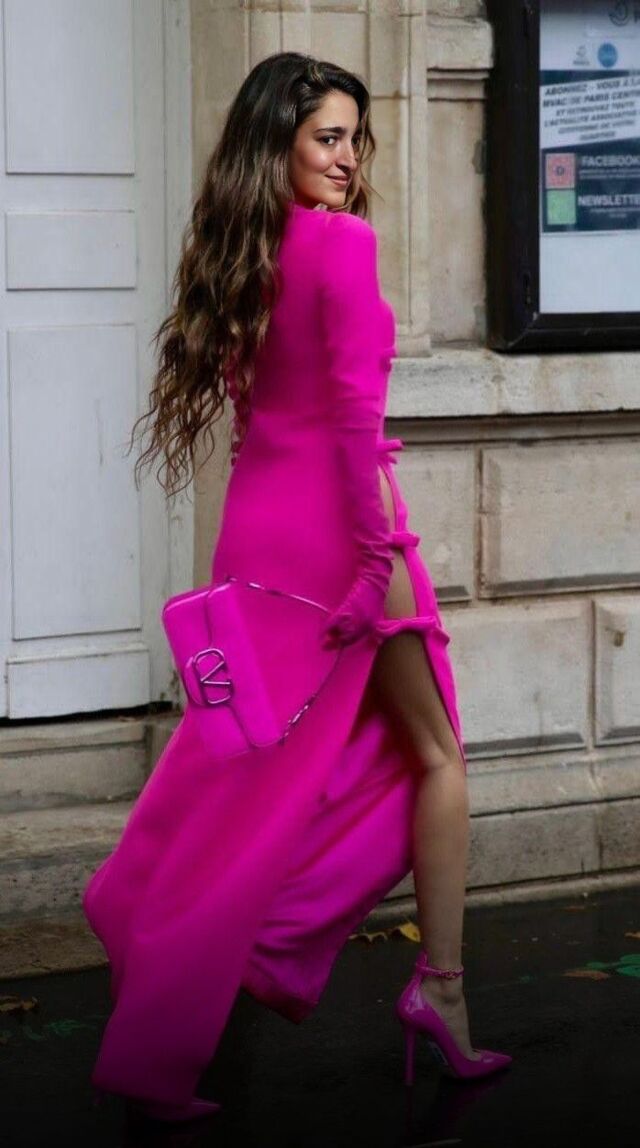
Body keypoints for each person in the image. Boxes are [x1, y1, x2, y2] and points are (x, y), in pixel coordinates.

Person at [83, 51, 512, 1126]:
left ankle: (149, 919)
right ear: (276, 141)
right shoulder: (339, 243)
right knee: (434, 756)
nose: (349, 158)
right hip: (346, 535)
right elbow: (355, 422)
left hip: (261, 537)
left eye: (356, 139)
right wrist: (374, 560)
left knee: (238, 776)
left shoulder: (238, 249)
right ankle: (439, 991)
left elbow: (261, 421)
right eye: (327, 137)